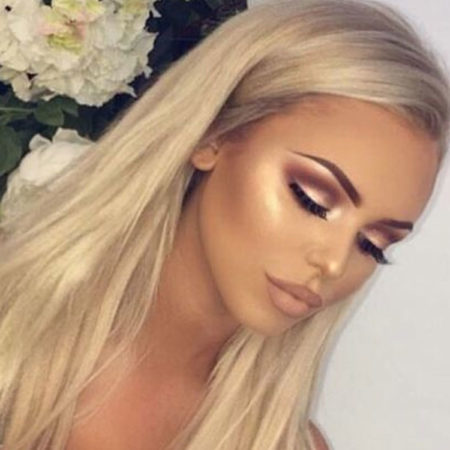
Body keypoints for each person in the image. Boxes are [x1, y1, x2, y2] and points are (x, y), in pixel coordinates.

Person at [0, 0, 449, 449]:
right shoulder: (12, 325)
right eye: (310, 200)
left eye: (372, 245)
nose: (334, 263)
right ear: (213, 135)